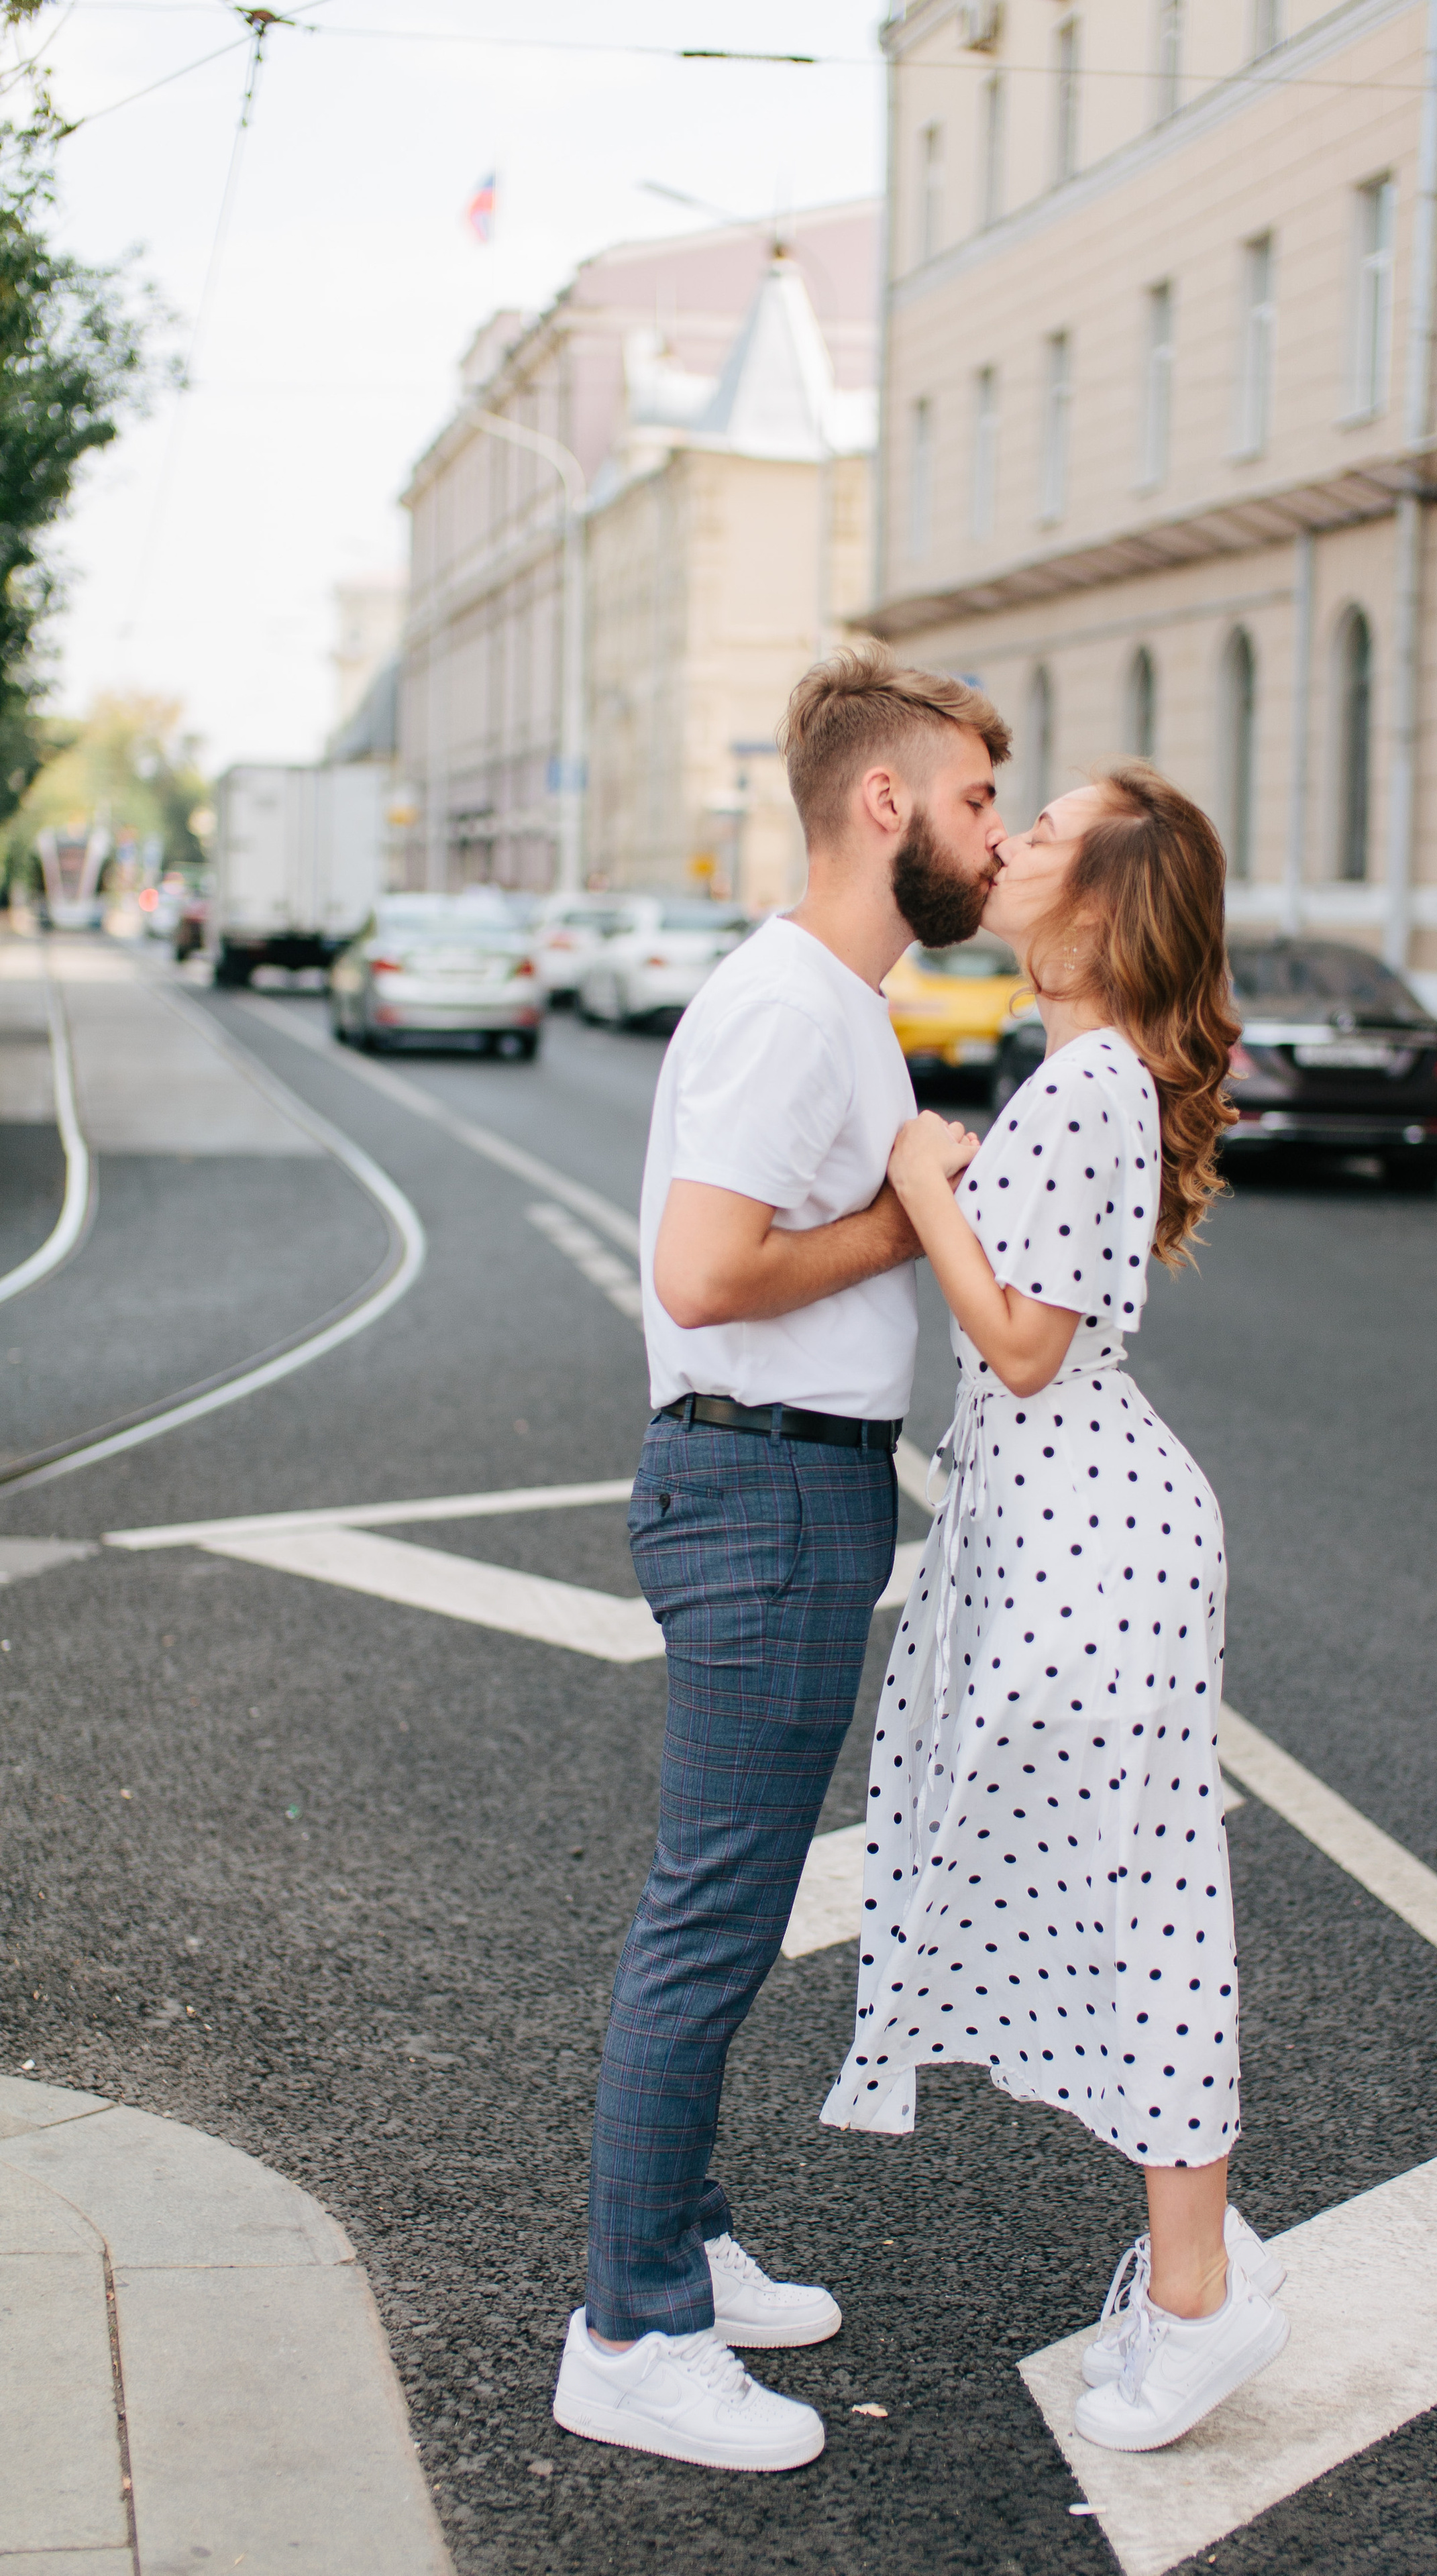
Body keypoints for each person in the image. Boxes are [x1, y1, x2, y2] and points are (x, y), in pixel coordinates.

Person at [551, 642, 1012, 2472]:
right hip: (755, 1493)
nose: (993, 831)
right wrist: (909, 1218)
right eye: (978, 796)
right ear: (884, 804)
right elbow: (705, 1269)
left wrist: (897, 1197)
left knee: (723, 1917)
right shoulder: (787, 1004)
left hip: (789, 1488)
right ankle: (633, 2331)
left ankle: (681, 2240)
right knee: (712, 1915)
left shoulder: (831, 997)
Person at [822, 761, 1291, 2453]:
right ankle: (1195, 2255)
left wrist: (924, 1177)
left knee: (1147, 1903)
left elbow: (1021, 1342)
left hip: (1095, 1536)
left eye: (1043, 827)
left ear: (1097, 899)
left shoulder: (1086, 1079)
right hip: (1064, 1528)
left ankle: (1194, 2300)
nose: (1008, 840)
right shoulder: (1085, 1068)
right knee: (1110, 1892)